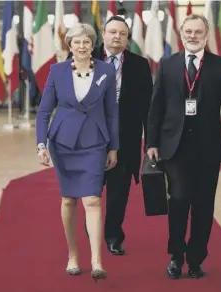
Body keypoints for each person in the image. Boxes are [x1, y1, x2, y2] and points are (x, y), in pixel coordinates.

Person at [146, 14, 221, 279]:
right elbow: (156, 106)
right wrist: (151, 142)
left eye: (197, 31)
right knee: (178, 200)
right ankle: (176, 256)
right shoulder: (167, 65)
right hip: (173, 148)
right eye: (188, 31)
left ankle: (196, 259)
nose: (192, 35)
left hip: (207, 148)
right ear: (181, 33)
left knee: (203, 206)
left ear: (206, 33)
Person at [35, 23, 119, 282]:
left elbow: (111, 112)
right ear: (69, 45)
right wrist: (41, 144)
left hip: (94, 142)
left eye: (86, 42)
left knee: (92, 200)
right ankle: (73, 255)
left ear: (93, 44)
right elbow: (44, 111)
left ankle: (96, 261)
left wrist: (113, 146)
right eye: (76, 42)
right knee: (69, 200)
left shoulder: (105, 70)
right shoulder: (57, 71)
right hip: (63, 144)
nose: (82, 46)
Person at [71, 16, 152, 256]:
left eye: (122, 34)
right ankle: (92, 232)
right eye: (112, 32)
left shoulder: (139, 65)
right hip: (89, 140)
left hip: (125, 141)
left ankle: (114, 236)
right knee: (91, 192)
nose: (117, 37)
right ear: (103, 34)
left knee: (118, 194)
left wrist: (150, 143)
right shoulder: (84, 56)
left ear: (127, 39)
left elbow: (147, 107)